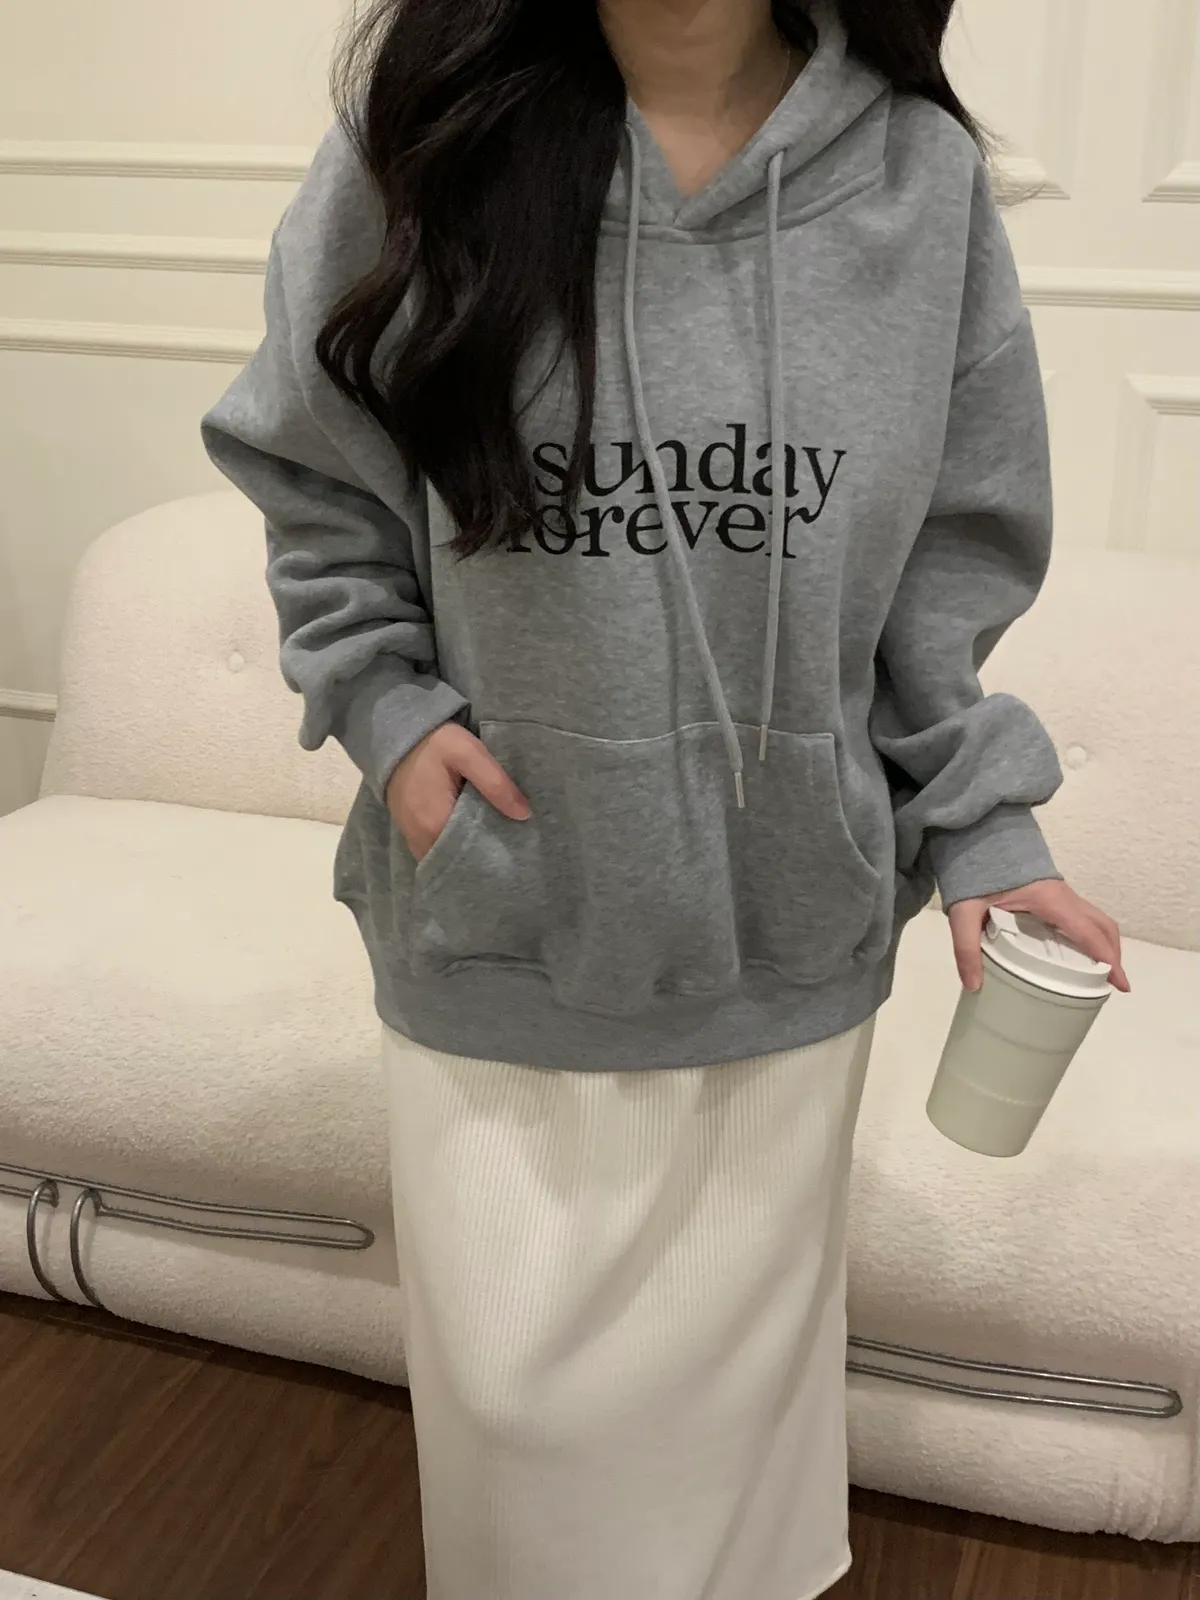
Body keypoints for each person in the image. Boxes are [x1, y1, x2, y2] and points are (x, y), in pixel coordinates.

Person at [202, 0, 1128, 1594]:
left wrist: (983, 823)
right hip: (508, 915)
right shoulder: (421, 144)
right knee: (519, 1440)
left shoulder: (916, 179)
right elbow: (311, 467)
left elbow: (948, 560)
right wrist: (390, 714)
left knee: (738, 1447)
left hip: (788, 934)